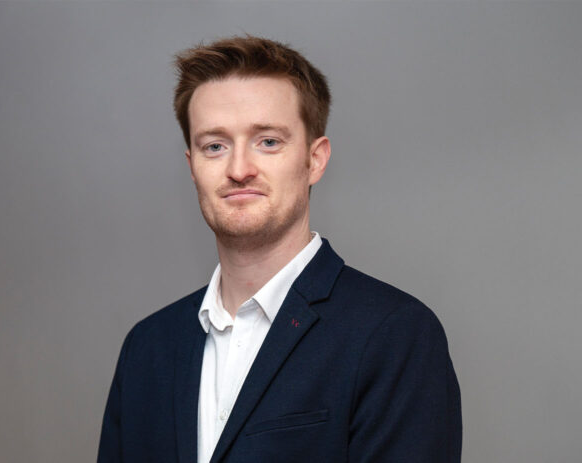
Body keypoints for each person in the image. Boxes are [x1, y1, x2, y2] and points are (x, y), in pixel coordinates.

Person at [98, 35, 461, 463]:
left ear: (315, 160)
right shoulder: (146, 348)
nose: (239, 169)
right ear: (192, 166)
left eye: (268, 141)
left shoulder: (394, 334)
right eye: (215, 146)